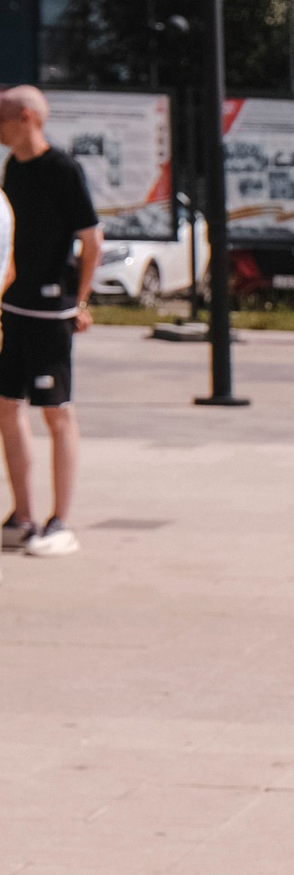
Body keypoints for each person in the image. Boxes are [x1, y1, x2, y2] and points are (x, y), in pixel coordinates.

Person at [0, 86, 99, 559]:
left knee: (57, 412)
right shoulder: (13, 168)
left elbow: (92, 239)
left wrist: (80, 301)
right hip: (14, 307)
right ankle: (23, 516)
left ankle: (61, 520)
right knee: (6, 407)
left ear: (26, 117)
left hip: (50, 310)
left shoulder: (63, 169)